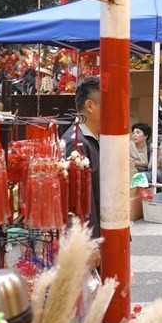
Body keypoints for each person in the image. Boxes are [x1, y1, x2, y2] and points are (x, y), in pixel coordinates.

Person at [63, 77, 102, 239]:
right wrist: (89, 243)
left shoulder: (93, 137)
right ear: (90, 106)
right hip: (89, 239)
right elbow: (78, 202)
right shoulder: (76, 142)